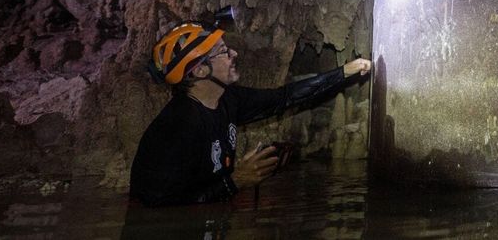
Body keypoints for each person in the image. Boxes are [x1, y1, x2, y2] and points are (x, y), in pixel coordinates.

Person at [129, 20, 371, 206]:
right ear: (201, 70)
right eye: (223, 52)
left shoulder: (228, 99)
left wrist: (344, 72)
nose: (233, 54)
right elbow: (156, 204)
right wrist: (235, 182)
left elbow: (284, 98)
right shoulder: (177, 127)